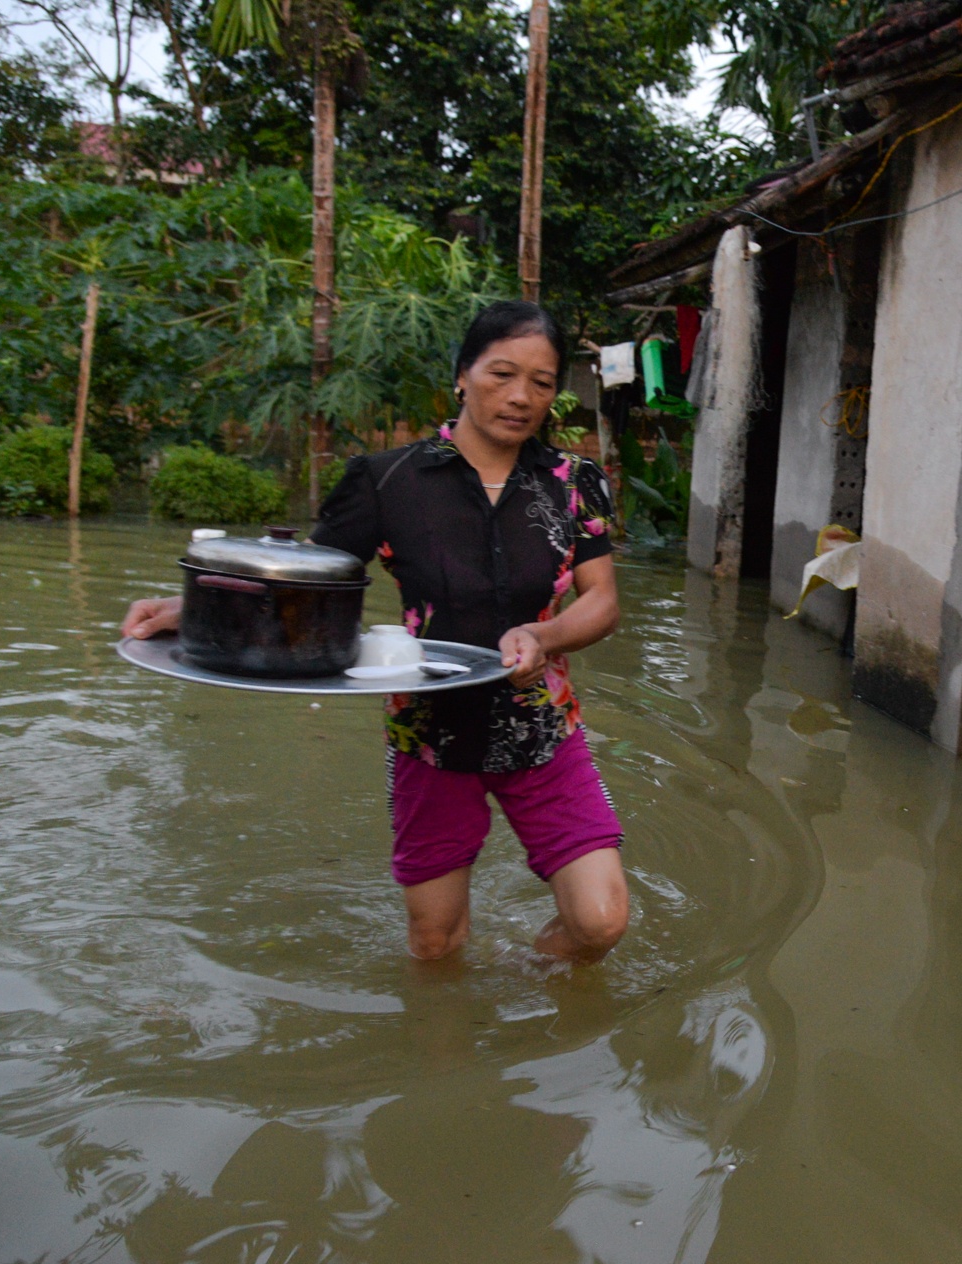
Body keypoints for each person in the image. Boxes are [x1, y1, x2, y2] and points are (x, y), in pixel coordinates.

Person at [122, 301, 629, 964]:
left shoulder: (575, 482)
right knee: (436, 942)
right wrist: (196, 607)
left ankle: (538, 976)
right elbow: (306, 581)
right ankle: (451, 1027)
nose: (520, 397)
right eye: (501, 374)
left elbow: (602, 602)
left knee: (599, 923)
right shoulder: (387, 480)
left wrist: (545, 637)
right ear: (462, 375)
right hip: (429, 736)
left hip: (543, 729)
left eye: (541, 382)